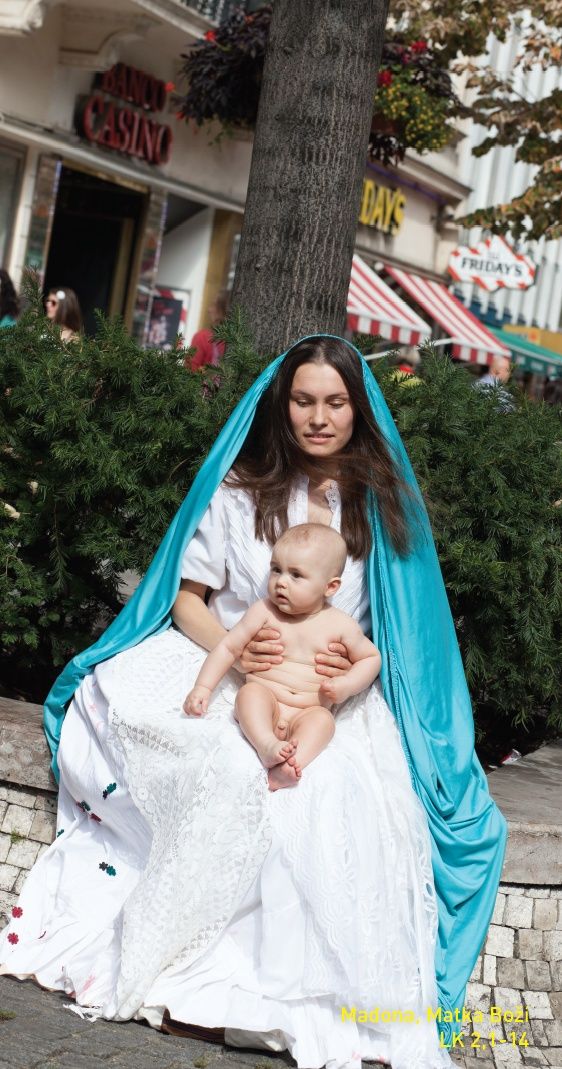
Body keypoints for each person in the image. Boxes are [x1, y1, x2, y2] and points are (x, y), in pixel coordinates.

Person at [0, 335, 506, 1069]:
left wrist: (339, 666)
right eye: (304, 400)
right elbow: (188, 599)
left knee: (329, 792)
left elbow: (396, 623)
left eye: (335, 402)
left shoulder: (378, 503)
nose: (319, 416)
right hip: (225, 662)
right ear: (283, 403)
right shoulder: (240, 488)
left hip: (324, 696)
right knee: (226, 770)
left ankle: (295, 991)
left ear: (358, 411)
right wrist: (235, 651)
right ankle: (192, 961)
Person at [184, 523, 381, 790]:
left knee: (324, 723)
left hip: (308, 710)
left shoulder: (341, 625)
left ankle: (291, 765)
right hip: (268, 699)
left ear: (330, 586)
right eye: (276, 569)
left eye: (296, 575)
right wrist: (203, 687)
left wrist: (346, 685)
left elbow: (371, 659)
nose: (281, 582)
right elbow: (229, 647)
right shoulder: (263, 611)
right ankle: (266, 744)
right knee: (248, 697)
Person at [187, 291, 228, 369]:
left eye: (214, 305)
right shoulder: (240, 340)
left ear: (224, 309)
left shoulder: (202, 337)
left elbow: (190, 371)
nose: (209, 310)